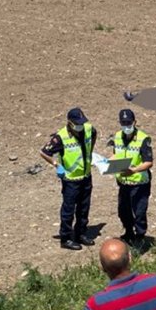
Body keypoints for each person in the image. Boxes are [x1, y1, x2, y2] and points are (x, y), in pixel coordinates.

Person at [40, 107, 96, 250]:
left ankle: (81, 233)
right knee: (68, 209)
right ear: (70, 123)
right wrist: (56, 164)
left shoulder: (89, 129)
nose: (80, 126)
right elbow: (44, 152)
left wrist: (89, 156)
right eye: (77, 123)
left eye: (81, 122)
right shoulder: (61, 137)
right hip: (71, 180)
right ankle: (65, 237)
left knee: (84, 208)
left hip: (86, 176)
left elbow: (94, 136)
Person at [108, 108, 154, 247]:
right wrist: (106, 162)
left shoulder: (143, 139)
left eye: (129, 123)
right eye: (123, 123)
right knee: (123, 211)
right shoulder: (117, 137)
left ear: (135, 122)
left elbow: (148, 162)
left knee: (139, 212)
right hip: (123, 182)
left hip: (139, 183)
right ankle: (128, 233)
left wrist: (133, 171)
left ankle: (140, 237)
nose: (126, 126)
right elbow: (116, 154)